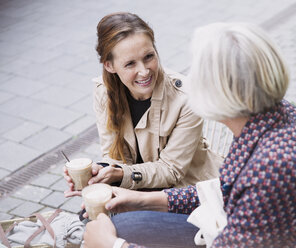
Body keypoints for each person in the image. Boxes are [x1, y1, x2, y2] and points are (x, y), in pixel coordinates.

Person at [83, 22, 296, 247]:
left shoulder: (271, 170)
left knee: (114, 231)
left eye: (200, 72)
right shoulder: (279, 116)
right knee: (122, 222)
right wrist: (142, 199)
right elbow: (225, 188)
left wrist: (113, 246)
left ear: (219, 90)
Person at [64, 12, 222, 194]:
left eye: (148, 57)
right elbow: (113, 156)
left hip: (188, 192)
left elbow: (172, 171)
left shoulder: (187, 96)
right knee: (93, 212)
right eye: (130, 63)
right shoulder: (103, 92)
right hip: (137, 189)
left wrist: (120, 175)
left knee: (108, 219)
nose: (144, 71)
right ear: (109, 66)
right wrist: (98, 171)